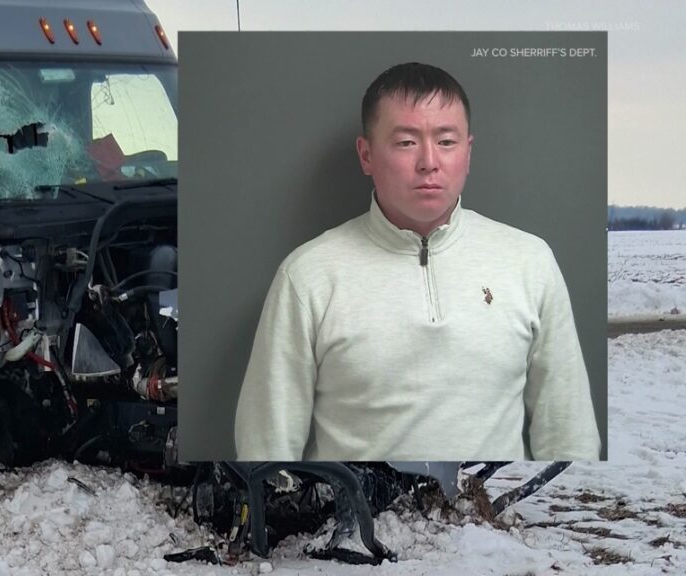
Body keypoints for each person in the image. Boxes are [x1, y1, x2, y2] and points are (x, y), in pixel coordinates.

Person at [233, 62, 600, 461]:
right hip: (359, 521)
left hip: (492, 520)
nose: (429, 161)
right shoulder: (307, 277)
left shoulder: (530, 262)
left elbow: (569, 434)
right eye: (406, 142)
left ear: (468, 152)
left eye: (446, 142)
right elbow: (265, 451)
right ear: (367, 155)